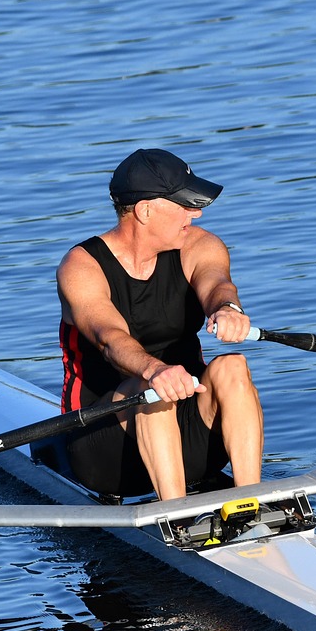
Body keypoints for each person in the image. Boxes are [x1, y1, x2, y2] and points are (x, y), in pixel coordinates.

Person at [57, 148, 263, 500]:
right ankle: (176, 514)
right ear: (145, 210)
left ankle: (252, 500)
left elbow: (217, 284)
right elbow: (109, 338)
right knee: (150, 388)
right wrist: (156, 371)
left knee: (233, 366)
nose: (195, 213)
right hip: (105, 448)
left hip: (188, 437)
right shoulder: (81, 267)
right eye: (184, 204)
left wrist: (228, 309)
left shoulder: (201, 245)